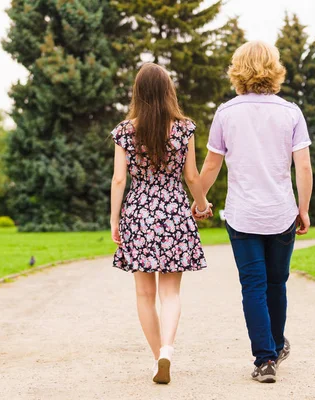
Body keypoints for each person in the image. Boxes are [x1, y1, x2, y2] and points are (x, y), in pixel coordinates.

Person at [192, 40, 313, 383]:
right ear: (274, 69)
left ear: (237, 69)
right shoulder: (291, 112)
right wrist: (303, 209)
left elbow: (212, 165)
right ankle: (274, 345)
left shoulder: (226, 113)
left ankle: (265, 358)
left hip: (243, 214)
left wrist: (200, 202)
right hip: (281, 213)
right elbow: (302, 168)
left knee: (253, 286)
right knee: (277, 283)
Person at [110, 63, 212, 384]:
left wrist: (115, 220)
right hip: (173, 210)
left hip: (138, 212)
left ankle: (158, 359)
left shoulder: (125, 131)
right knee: (170, 293)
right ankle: (167, 348)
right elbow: (192, 177)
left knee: (144, 294)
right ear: (169, 91)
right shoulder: (184, 129)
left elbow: (118, 180)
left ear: (137, 93)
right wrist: (201, 203)